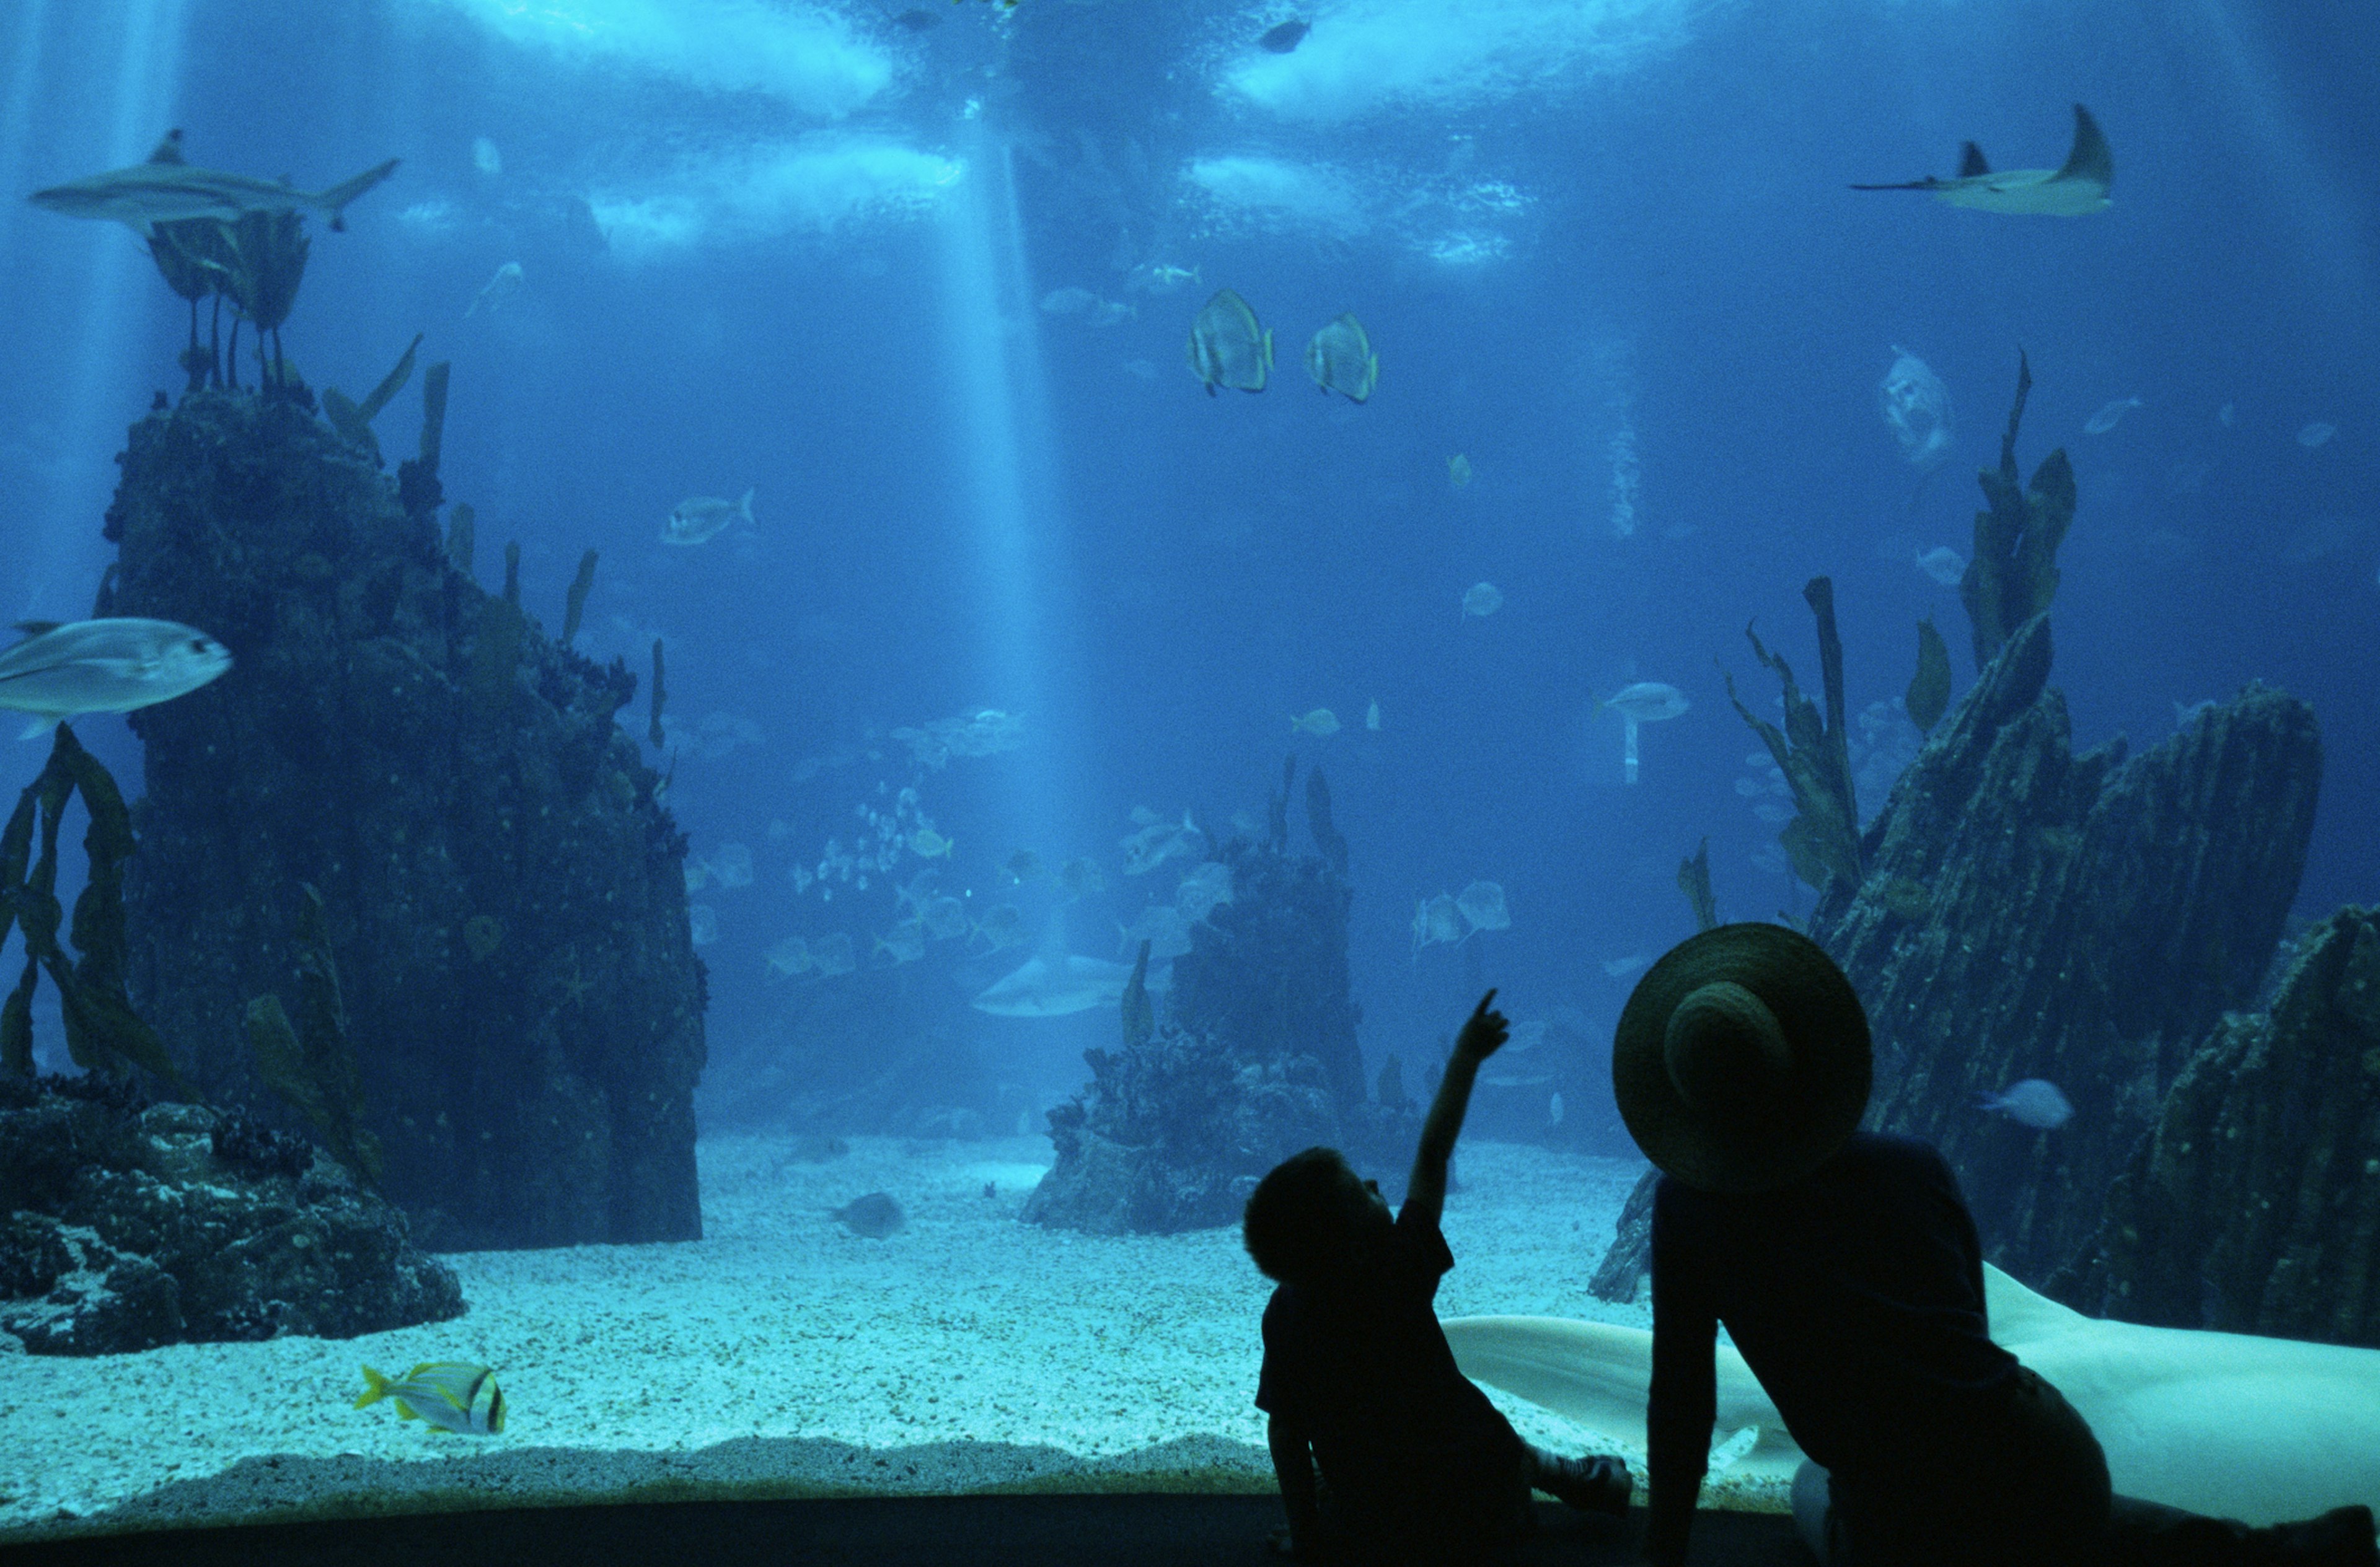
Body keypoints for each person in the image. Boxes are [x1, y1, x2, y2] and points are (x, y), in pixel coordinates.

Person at [1612, 922, 2379, 1567]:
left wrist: (1663, 1551)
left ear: (1686, 1105)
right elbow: (1966, 1336)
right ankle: (2260, 1552)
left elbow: (1682, 1397)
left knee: (1817, 1485)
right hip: (2047, 1451)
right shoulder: (1912, 1164)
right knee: (2050, 1516)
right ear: (1808, 1059)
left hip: (1898, 1507)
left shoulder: (1693, 1212)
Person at [1243, 990, 1634, 1564]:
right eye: (1363, 1190)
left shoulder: (1286, 1312)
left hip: (1375, 1508)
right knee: (1480, 1440)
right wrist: (1465, 1059)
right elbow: (1432, 1153)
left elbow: (1286, 1434)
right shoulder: (1396, 1270)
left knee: (1358, 1473)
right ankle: (1567, 1476)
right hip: (1479, 1497)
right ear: (1352, 1248)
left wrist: (1308, 1539)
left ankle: (1345, 1526)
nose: (1377, 1185)